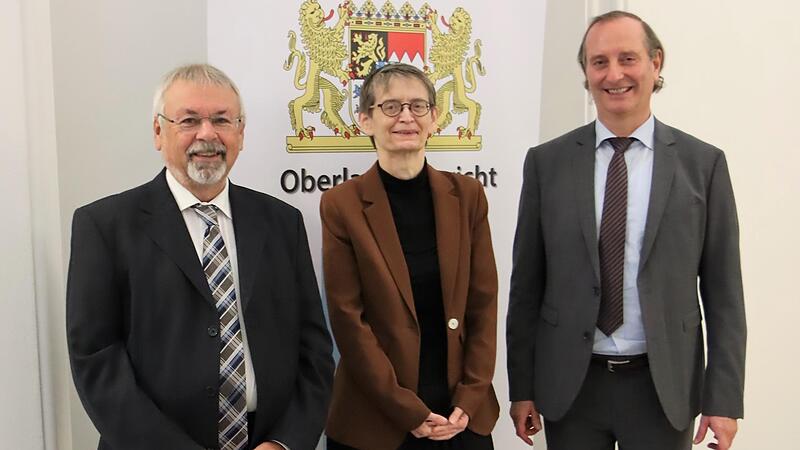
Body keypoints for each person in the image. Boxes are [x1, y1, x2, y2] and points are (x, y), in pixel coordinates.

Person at [506, 11, 746, 450]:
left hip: (663, 389)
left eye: (627, 58)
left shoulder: (703, 165)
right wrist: (521, 387)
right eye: (599, 62)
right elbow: (526, 287)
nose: (614, 74)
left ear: (656, 62)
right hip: (571, 389)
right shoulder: (547, 164)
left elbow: (724, 294)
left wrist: (724, 399)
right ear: (586, 73)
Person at [66, 63, 334, 450]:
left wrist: (284, 442)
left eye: (222, 120)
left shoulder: (282, 222)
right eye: (189, 120)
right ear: (158, 132)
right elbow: (96, 361)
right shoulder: (104, 226)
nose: (207, 134)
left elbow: (315, 351)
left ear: (241, 132)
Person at [320, 63, 499, 450]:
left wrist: (470, 397)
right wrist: (406, 411)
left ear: (434, 118)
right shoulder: (341, 205)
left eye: (418, 106)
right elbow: (349, 321)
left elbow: (483, 305)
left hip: (460, 417)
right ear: (365, 120)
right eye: (391, 106)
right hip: (377, 420)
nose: (406, 116)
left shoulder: (467, 196)